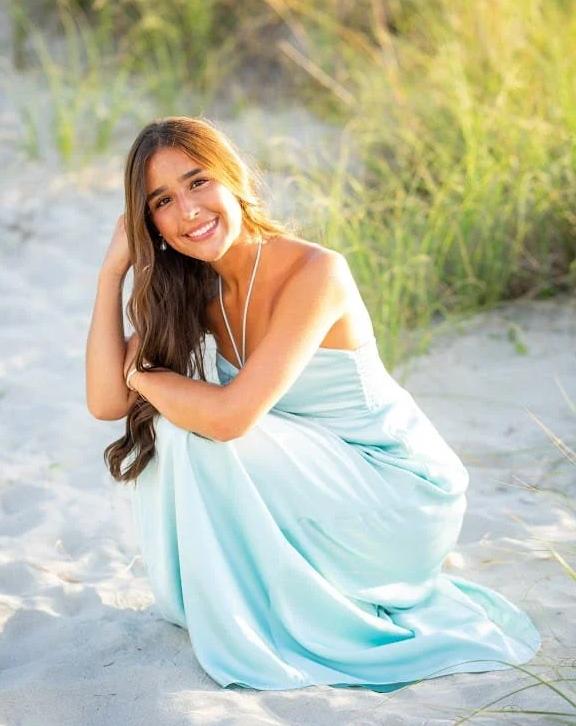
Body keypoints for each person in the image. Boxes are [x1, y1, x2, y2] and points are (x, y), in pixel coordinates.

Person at [85, 115, 541, 691]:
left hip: (396, 497)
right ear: (148, 223)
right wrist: (111, 274)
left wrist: (142, 376)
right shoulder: (196, 290)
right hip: (320, 497)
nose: (189, 210)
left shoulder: (316, 272)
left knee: (192, 424)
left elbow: (229, 419)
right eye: (163, 201)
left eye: (198, 182)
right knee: (178, 423)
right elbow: (105, 401)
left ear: (233, 177)